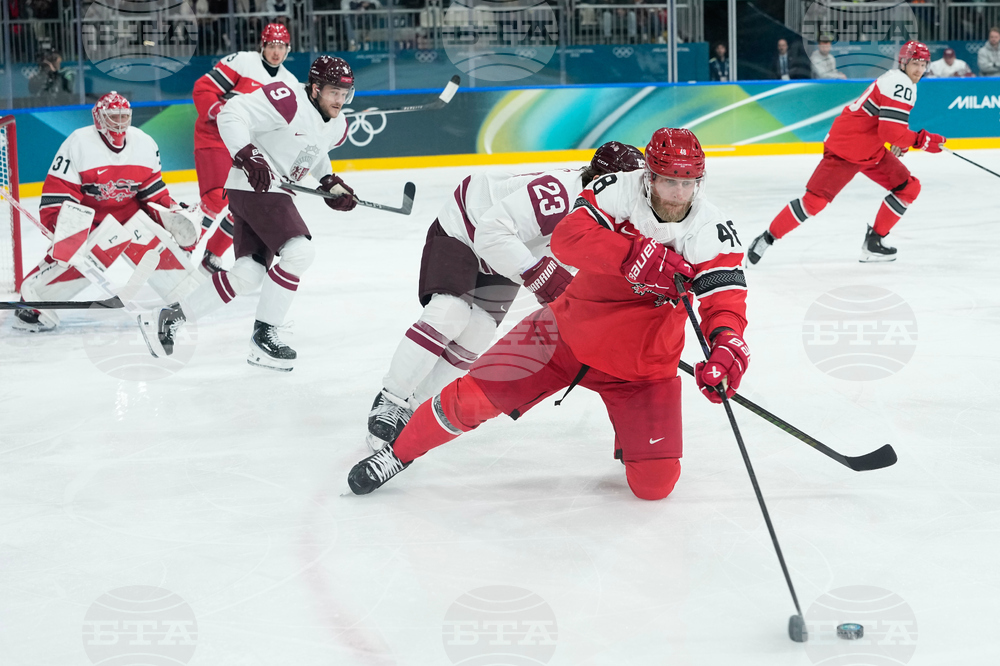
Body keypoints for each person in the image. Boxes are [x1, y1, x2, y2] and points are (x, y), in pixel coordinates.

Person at [347, 128, 750, 500]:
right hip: (562, 334)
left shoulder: (711, 228)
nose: (679, 194)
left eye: (688, 183)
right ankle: (398, 453)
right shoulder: (616, 189)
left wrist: (727, 347)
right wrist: (633, 257)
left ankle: (637, 443)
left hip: (640, 369)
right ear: (649, 177)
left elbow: (725, 300)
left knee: (655, 487)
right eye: (668, 181)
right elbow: (569, 238)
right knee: (472, 395)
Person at [364, 142, 646, 452]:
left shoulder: (606, 215)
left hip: (509, 251)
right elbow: (492, 229)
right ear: (602, 182)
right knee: (449, 312)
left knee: (478, 332)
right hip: (468, 226)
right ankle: (390, 399)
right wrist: (537, 271)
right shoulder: (558, 196)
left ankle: (416, 406)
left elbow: (573, 273)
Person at [138, 56, 357, 371]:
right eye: (333, 92)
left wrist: (329, 182)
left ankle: (167, 318)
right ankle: (264, 335)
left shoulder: (338, 126)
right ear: (315, 87)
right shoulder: (288, 98)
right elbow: (232, 112)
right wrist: (246, 153)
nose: (340, 100)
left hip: (270, 192)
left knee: (248, 274)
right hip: (255, 185)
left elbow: (314, 151)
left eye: (345, 93)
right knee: (300, 252)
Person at [748, 42, 945, 264]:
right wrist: (924, 141)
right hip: (847, 148)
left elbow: (889, 127)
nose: (919, 69)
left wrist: (904, 141)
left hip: (871, 150)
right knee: (814, 202)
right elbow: (891, 131)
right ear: (903, 62)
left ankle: (875, 242)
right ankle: (767, 238)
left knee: (908, 187)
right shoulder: (901, 83)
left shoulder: (902, 81)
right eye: (915, 64)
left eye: (923, 64)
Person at [14, 92, 191, 332]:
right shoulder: (79, 143)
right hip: (90, 218)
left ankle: (188, 296)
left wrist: (170, 210)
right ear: (98, 118)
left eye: (123, 116)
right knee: (80, 254)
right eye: (112, 117)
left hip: (129, 213)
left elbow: (153, 191)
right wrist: (63, 229)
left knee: (153, 245)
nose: (118, 123)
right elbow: (58, 193)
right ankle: (33, 302)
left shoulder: (145, 143)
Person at [191, 23, 298, 276]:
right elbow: (203, 88)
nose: (276, 51)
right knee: (216, 198)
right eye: (271, 45)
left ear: (288, 49)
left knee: (244, 204)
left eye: (281, 46)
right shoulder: (242, 62)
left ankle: (211, 258)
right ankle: (183, 249)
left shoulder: (289, 82)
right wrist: (222, 114)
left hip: (246, 147)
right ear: (262, 46)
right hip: (215, 135)